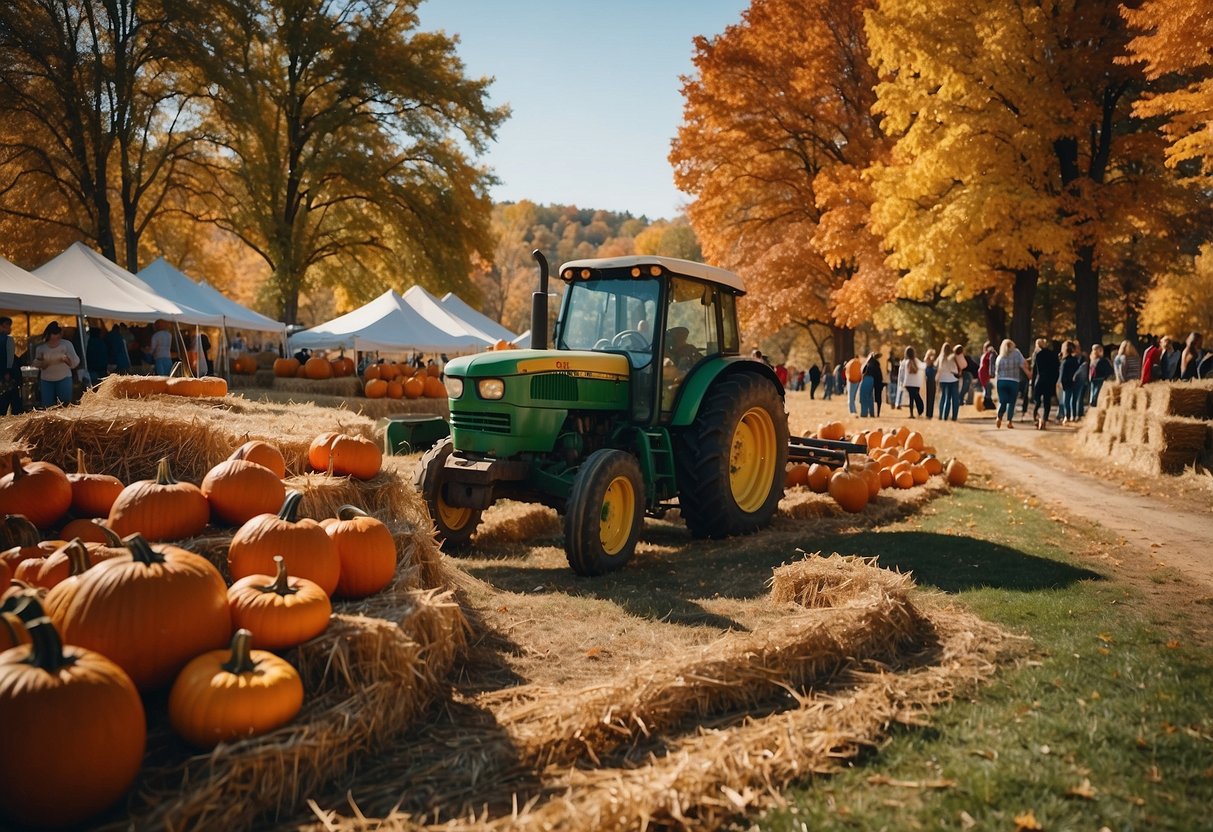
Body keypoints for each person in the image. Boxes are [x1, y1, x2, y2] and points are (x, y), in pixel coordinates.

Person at [33, 321, 79, 407]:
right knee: (48, 406)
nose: (56, 337)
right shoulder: (41, 348)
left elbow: (74, 362)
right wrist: (43, 363)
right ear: (48, 334)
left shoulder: (66, 344)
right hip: (46, 380)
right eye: (53, 334)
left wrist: (66, 360)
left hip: (64, 378)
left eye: (58, 335)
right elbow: (36, 362)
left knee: (65, 404)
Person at [994, 339, 1030, 429]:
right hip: (1014, 381)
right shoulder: (1017, 353)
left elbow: (997, 372)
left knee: (1003, 401)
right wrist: (1029, 373)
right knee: (1011, 402)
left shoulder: (1000, 357)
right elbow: (1024, 364)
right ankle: (1009, 421)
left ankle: (999, 417)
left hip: (1001, 381)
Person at [1031, 339, 1060, 428]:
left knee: (1037, 401)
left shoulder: (1039, 355)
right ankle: (1044, 418)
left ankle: (1036, 418)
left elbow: (1035, 370)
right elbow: (1056, 370)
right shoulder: (1053, 355)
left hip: (1040, 379)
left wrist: (1033, 382)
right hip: (1049, 380)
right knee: (1047, 401)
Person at [936, 342, 965, 421]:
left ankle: (943, 416)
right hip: (953, 379)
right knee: (955, 399)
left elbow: (937, 367)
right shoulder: (953, 357)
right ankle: (954, 417)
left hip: (943, 380)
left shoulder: (940, 357)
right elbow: (961, 366)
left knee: (944, 398)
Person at [0, 316, 23, 415]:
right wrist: (7, 372)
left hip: (7, 372)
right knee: (11, 399)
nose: (9, 328)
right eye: (6, 326)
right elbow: (6, 356)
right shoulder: (5, 339)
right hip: (8, 373)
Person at [1059, 341, 1079, 424]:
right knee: (1073, 400)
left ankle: (1066, 416)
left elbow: (1063, 374)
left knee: (1066, 401)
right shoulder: (1075, 360)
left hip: (1067, 383)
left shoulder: (1065, 361)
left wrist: (1062, 383)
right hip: (1074, 382)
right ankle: (1073, 416)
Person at [901, 346, 924, 418]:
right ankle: (920, 410)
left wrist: (902, 382)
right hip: (916, 383)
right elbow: (923, 367)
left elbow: (902, 373)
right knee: (916, 397)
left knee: (911, 398)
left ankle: (911, 414)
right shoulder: (917, 361)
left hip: (908, 383)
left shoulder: (905, 362)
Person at [859, 351, 880, 418]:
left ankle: (864, 413)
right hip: (872, 380)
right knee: (870, 397)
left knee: (864, 396)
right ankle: (872, 413)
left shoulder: (868, 363)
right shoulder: (876, 363)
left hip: (866, 379)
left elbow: (862, 371)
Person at [977, 341, 995, 408]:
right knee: (987, 387)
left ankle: (987, 402)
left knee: (986, 387)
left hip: (982, 372)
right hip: (985, 372)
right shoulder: (988, 354)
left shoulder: (984, 354)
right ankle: (987, 402)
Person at [923, 349, 938, 420]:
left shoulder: (927, 361)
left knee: (929, 397)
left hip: (930, 379)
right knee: (930, 397)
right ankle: (929, 414)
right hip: (930, 379)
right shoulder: (929, 361)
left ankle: (928, 413)